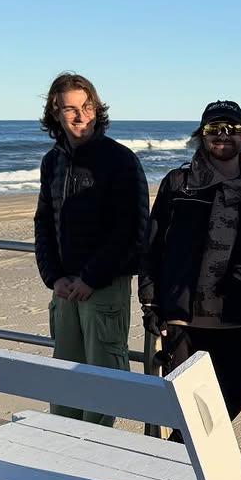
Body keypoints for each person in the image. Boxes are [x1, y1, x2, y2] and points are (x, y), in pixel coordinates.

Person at [138, 100, 241, 422]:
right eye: (213, 128)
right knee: (184, 405)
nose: (223, 134)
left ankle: (182, 447)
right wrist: (150, 304)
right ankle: (179, 450)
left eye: (232, 128)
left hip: (235, 316)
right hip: (182, 318)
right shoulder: (177, 183)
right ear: (201, 134)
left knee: (239, 389)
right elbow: (152, 247)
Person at [34, 72, 150, 424]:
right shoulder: (53, 161)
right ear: (55, 113)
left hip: (104, 286)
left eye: (87, 107)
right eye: (70, 109)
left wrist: (91, 278)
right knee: (65, 379)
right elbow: (44, 221)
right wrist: (54, 277)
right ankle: (63, 445)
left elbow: (132, 230)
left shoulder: (120, 159)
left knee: (104, 380)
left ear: (97, 109)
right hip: (64, 288)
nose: (80, 116)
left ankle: (97, 450)